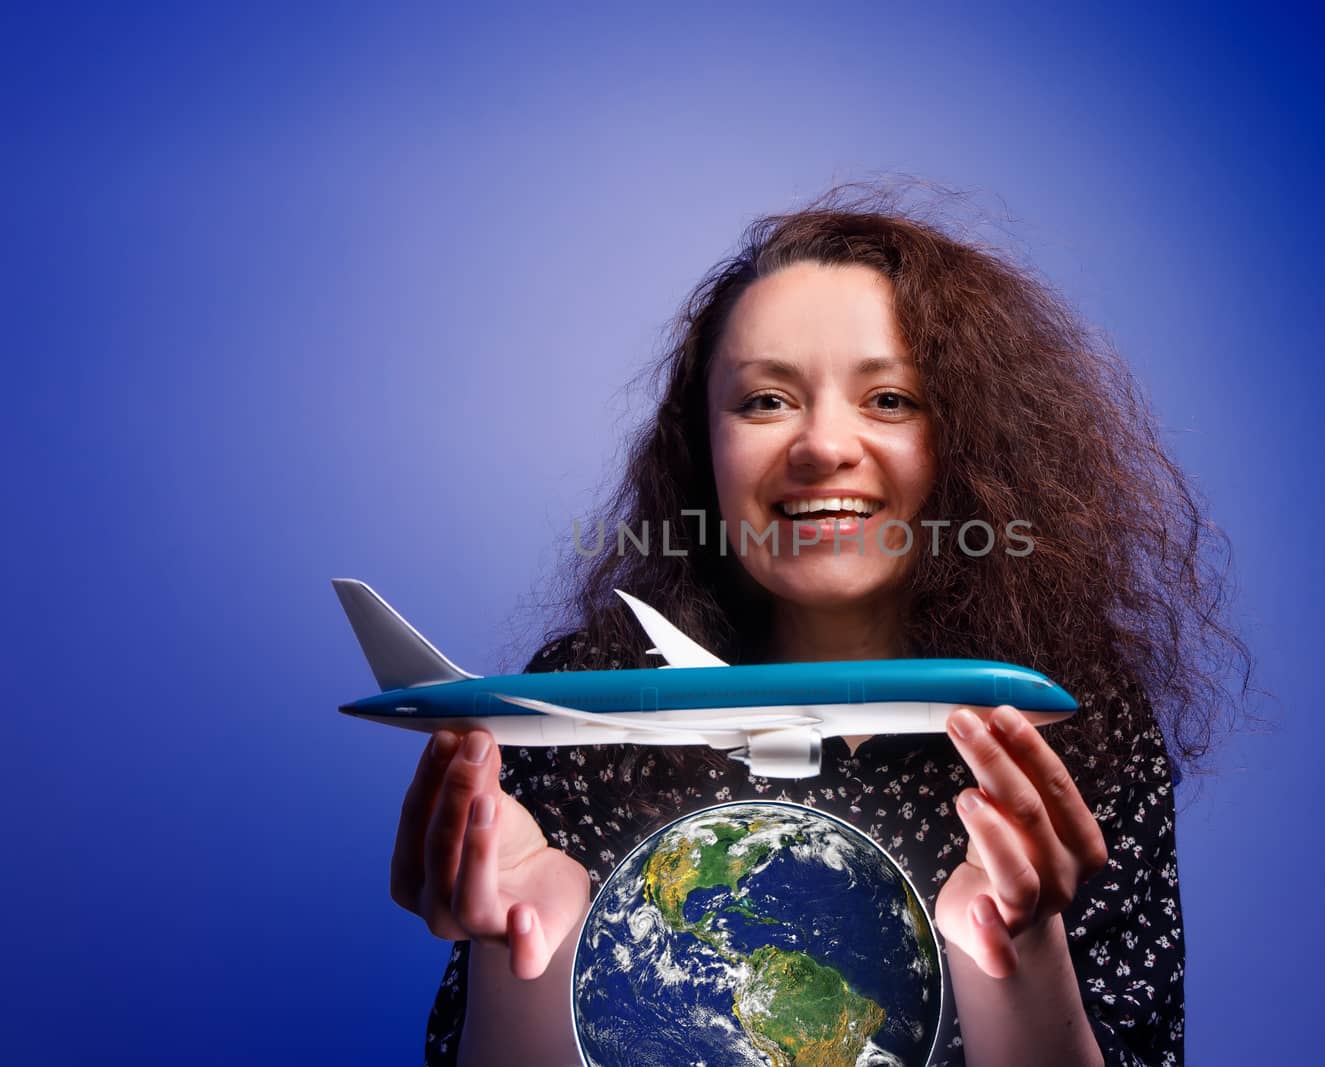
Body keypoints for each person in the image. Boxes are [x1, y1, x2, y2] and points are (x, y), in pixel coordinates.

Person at [388, 184, 1251, 1067]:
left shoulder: (1085, 721)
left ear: (972, 439)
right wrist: (524, 940)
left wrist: (1019, 951)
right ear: (704, 450)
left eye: (890, 399)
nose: (820, 445)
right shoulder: (575, 697)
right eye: (765, 401)